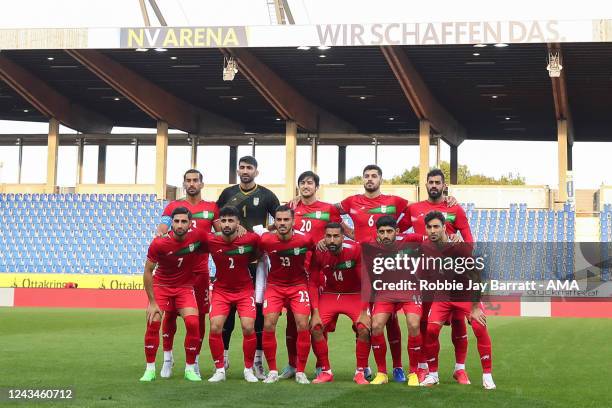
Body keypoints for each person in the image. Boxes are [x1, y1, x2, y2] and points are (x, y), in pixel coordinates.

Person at [399, 168, 473, 384]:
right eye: (430, 182)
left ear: (444, 186)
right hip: (424, 274)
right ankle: (424, 366)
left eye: (437, 182)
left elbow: (468, 240)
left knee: (458, 320)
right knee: (424, 321)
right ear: (426, 185)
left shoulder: (454, 208)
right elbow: (397, 230)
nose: (433, 185)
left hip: (452, 276)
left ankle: (460, 368)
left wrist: (461, 248)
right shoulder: (414, 209)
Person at [216, 156, 280, 378]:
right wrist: (232, 231)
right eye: (242, 168)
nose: (245, 171)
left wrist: (260, 231)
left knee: (258, 314)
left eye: (249, 168)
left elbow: (280, 220)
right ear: (237, 171)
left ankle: (258, 361)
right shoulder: (227, 194)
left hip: (256, 264)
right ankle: (223, 361)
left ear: (256, 171)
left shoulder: (267, 195)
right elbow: (216, 219)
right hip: (231, 262)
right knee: (228, 314)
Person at [419, 211, 495, 390]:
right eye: (429, 227)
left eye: (436, 226)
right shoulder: (426, 247)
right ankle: (433, 375)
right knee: (430, 330)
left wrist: (476, 307)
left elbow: (476, 276)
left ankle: (487, 375)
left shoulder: (459, 247)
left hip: (465, 294)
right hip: (443, 296)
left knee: (478, 325)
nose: (432, 230)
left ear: (444, 227)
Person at [156, 169, 219, 378]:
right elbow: (164, 225)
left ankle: (194, 361)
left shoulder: (212, 209)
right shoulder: (173, 206)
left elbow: (220, 234)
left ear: (202, 184)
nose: (192, 184)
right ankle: (167, 359)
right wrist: (161, 231)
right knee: (170, 315)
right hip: (176, 273)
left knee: (199, 318)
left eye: (195, 180)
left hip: (200, 272)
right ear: (184, 184)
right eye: (188, 181)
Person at [140, 207, 208, 382]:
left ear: (189, 223)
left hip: (184, 287)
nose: (179, 225)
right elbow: (148, 271)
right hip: (162, 286)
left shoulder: (198, 237)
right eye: (176, 221)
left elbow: (219, 240)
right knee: (154, 322)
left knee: (193, 323)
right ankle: (150, 369)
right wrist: (152, 302)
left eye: (183, 221)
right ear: (171, 222)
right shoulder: (159, 243)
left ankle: (190, 368)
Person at [365, 216, 427, 386]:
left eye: (389, 231)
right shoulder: (370, 244)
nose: (385, 235)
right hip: (385, 292)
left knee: (414, 325)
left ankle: (414, 372)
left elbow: (435, 238)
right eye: (382, 232)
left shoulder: (411, 239)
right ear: (377, 232)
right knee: (376, 326)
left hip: (409, 289)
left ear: (397, 232)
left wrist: (453, 237)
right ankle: (382, 373)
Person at [308, 222, 371, 384]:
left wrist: (364, 312)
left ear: (343, 237)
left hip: (354, 295)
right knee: (315, 327)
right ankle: (326, 371)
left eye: (336, 236)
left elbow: (366, 281)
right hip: (331, 294)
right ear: (324, 237)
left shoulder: (355, 249)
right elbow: (313, 283)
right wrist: (314, 312)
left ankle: (360, 372)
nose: (332, 240)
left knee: (364, 328)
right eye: (328, 236)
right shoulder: (319, 252)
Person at [258, 205, 315, 384]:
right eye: (279, 220)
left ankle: (300, 371)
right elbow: (255, 255)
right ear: (274, 221)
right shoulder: (266, 240)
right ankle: (273, 371)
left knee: (302, 324)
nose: (282, 223)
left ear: (293, 221)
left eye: (286, 219)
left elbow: (316, 257)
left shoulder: (305, 239)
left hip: (298, 286)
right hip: (275, 287)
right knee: (268, 325)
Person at [205, 206, 261, 383]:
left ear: (238, 223)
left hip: (244, 290)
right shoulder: (211, 240)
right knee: (215, 327)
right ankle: (220, 370)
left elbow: (261, 251)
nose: (227, 224)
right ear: (219, 222)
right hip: (221, 290)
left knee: (248, 327)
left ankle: (248, 369)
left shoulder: (251, 239)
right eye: (224, 220)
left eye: (231, 220)